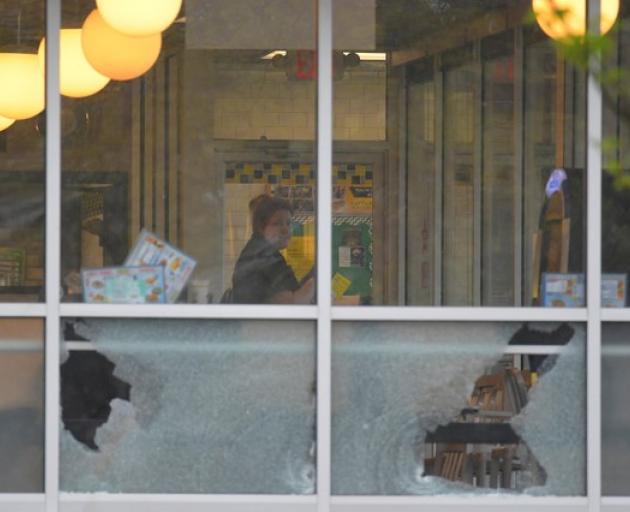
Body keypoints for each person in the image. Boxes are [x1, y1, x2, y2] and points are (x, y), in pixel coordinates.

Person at [230, 194, 315, 304]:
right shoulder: (264, 256)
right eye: (277, 224)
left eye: (288, 223)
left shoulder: (264, 252)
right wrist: (316, 282)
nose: (285, 230)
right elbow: (292, 303)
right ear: (260, 227)